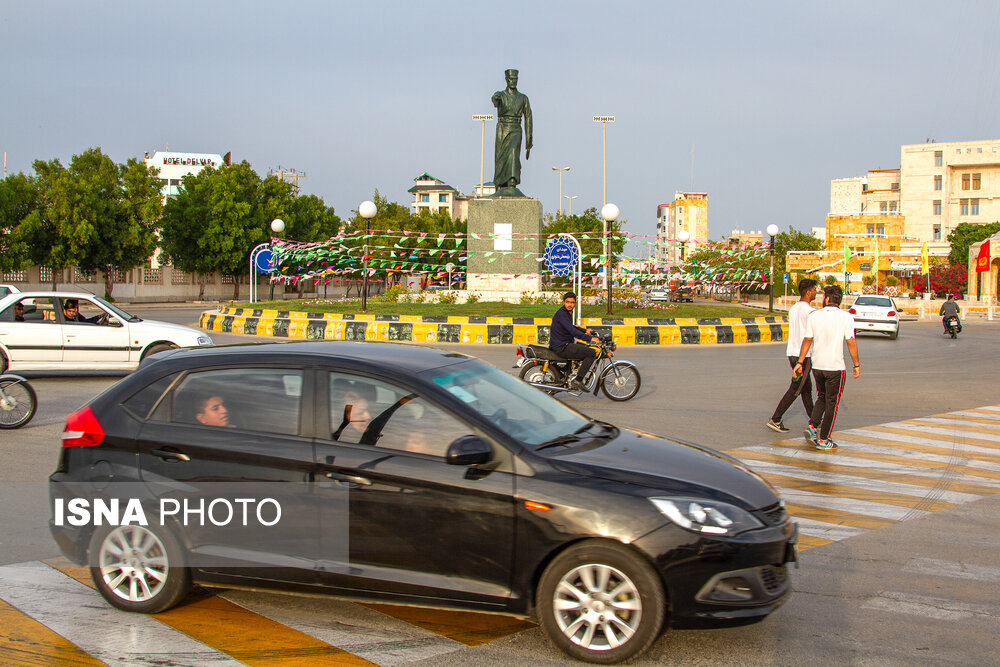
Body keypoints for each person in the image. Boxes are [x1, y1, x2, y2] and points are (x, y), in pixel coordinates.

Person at [793, 285, 861, 451]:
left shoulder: (814, 316)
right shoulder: (846, 317)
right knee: (832, 402)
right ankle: (823, 439)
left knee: (821, 397)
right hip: (835, 367)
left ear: (828, 299)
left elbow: (807, 340)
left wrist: (800, 362)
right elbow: (850, 341)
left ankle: (812, 426)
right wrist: (856, 364)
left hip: (818, 366)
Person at [766, 278, 818, 433]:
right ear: (809, 292)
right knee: (796, 388)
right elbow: (812, 335)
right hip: (804, 355)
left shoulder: (794, 308)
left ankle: (814, 420)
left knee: (805, 388)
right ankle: (776, 418)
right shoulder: (810, 312)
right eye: (815, 290)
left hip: (792, 353)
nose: (816, 292)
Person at [491, 68, 532, 192]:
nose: (513, 81)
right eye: (510, 79)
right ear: (506, 80)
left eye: (515, 79)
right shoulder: (501, 95)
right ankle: (499, 182)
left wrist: (529, 139)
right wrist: (495, 99)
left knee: (514, 152)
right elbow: (495, 101)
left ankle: (512, 180)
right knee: (500, 157)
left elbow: (529, 117)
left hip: (515, 129)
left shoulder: (523, 98)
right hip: (502, 128)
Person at [549, 291, 599, 392]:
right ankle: (578, 380)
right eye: (568, 302)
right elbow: (572, 331)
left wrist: (585, 331)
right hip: (561, 346)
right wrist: (590, 338)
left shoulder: (566, 313)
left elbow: (571, 327)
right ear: (564, 302)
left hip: (564, 343)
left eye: (572, 302)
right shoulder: (562, 314)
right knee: (591, 353)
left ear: (575, 303)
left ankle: (568, 374)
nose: (570, 304)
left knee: (585, 347)